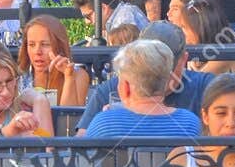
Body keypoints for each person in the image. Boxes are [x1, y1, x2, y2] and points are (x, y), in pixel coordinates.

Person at [78, 21, 214, 128]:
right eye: (151, 62)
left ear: (184, 60)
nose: (159, 71)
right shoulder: (110, 90)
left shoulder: (207, 87)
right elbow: (82, 143)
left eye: (166, 64)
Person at [83, 40, 203, 138]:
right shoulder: (191, 124)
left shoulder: (104, 124)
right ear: (165, 82)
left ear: (125, 88)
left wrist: (111, 118)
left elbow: (82, 162)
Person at [18, 13, 92, 107]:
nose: (37, 52)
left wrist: (69, 77)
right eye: (32, 45)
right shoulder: (18, 77)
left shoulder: (78, 75)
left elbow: (69, 119)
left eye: (45, 44)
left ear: (59, 46)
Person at [172, 0, 235, 74]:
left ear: (201, 29)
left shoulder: (223, 56)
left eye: (184, 27)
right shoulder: (200, 55)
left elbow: (194, 82)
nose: (180, 32)